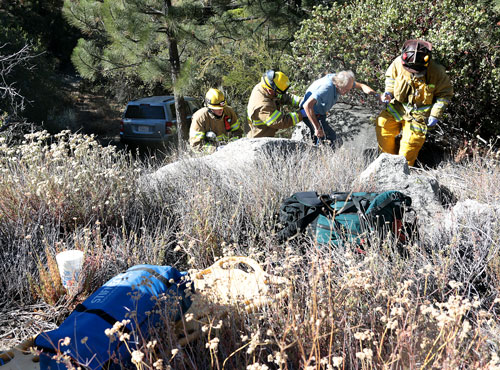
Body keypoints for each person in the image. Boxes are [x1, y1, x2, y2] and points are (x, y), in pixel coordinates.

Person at [376, 39, 453, 166]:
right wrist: (388, 93)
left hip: (418, 116)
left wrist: (435, 115)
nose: (413, 72)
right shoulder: (398, 62)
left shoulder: (437, 72)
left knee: (409, 146)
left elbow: (445, 95)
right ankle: (386, 163)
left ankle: (403, 171)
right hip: (398, 107)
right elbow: (390, 78)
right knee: (383, 124)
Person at [300, 70, 376, 146]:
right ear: (337, 85)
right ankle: (320, 156)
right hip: (311, 114)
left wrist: (376, 95)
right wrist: (317, 128)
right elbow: (307, 105)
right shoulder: (326, 88)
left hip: (320, 113)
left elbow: (361, 85)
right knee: (333, 142)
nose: (347, 92)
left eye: (349, 89)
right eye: (346, 89)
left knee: (326, 142)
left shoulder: (344, 81)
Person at [247, 70, 304, 138]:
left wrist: (301, 101)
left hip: (268, 132)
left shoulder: (265, 85)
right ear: (270, 91)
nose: (279, 95)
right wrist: (302, 114)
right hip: (259, 138)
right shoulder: (262, 106)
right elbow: (281, 122)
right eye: (278, 93)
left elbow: (284, 96)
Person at [189, 88, 243, 152]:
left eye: (222, 107)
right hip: (209, 157)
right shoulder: (200, 118)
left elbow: (238, 133)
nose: (221, 110)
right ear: (209, 107)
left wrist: (231, 146)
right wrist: (215, 150)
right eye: (217, 108)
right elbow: (196, 145)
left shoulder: (229, 112)